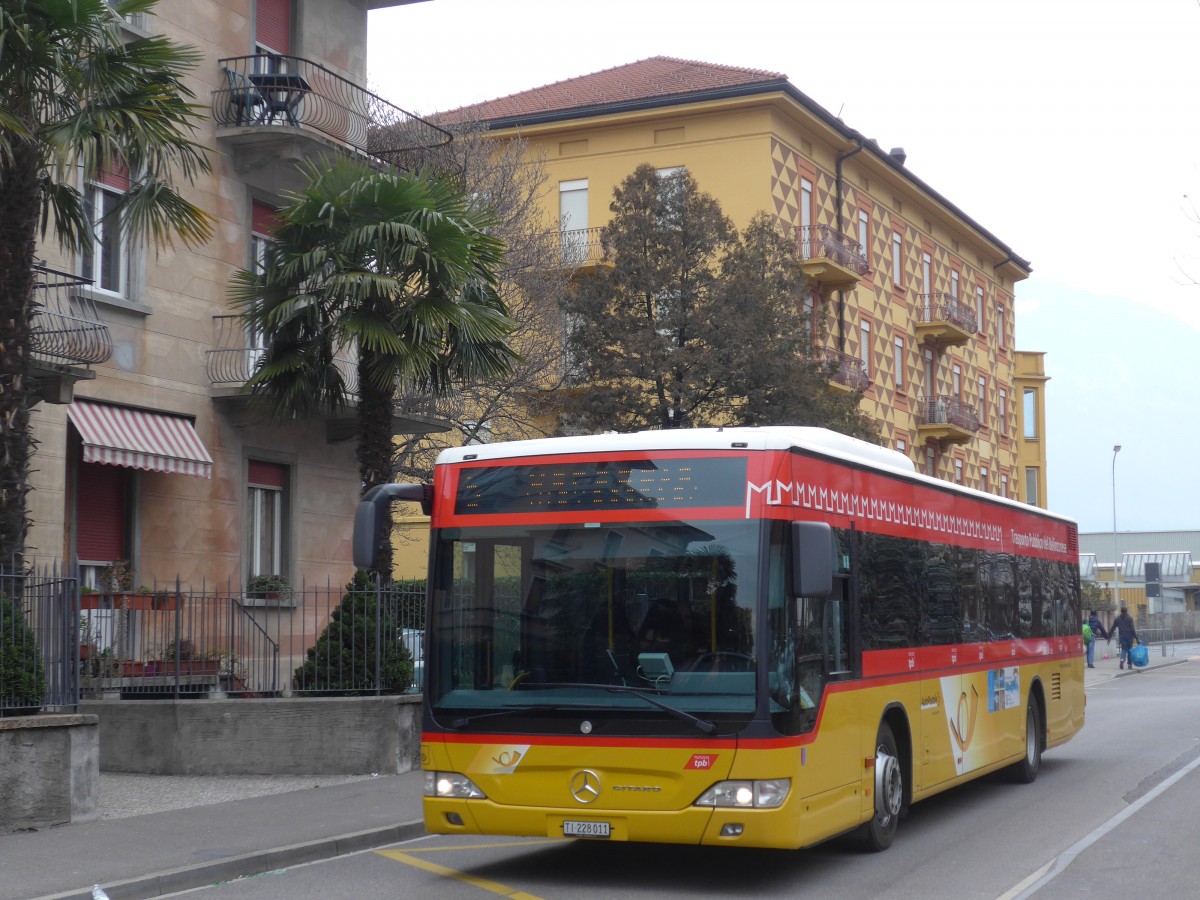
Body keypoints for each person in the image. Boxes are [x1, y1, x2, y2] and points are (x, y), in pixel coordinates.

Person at [1110, 605, 1139, 670]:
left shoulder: (1117, 619)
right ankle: (1129, 665)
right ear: (1126, 611)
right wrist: (1136, 638)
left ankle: (1122, 660)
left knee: (1124, 649)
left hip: (1122, 636)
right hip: (1129, 636)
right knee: (1130, 650)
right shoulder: (1130, 618)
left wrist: (1109, 637)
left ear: (1121, 611)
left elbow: (1112, 628)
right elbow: (1132, 629)